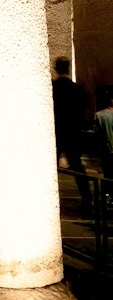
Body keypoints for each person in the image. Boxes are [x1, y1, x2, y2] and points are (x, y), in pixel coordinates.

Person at [52, 57, 93, 209]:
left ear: (56, 69)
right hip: (72, 133)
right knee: (77, 166)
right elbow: (85, 112)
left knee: (51, 167)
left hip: (55, 133)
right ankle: (87, 198)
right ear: (68, 69)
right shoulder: (78, 89)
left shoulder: (51, 88)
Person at [95, 89, 113, 207]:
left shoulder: (99, 115)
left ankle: (108, 198)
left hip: (107, 151)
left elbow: (97, 135)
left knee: (107, 176)